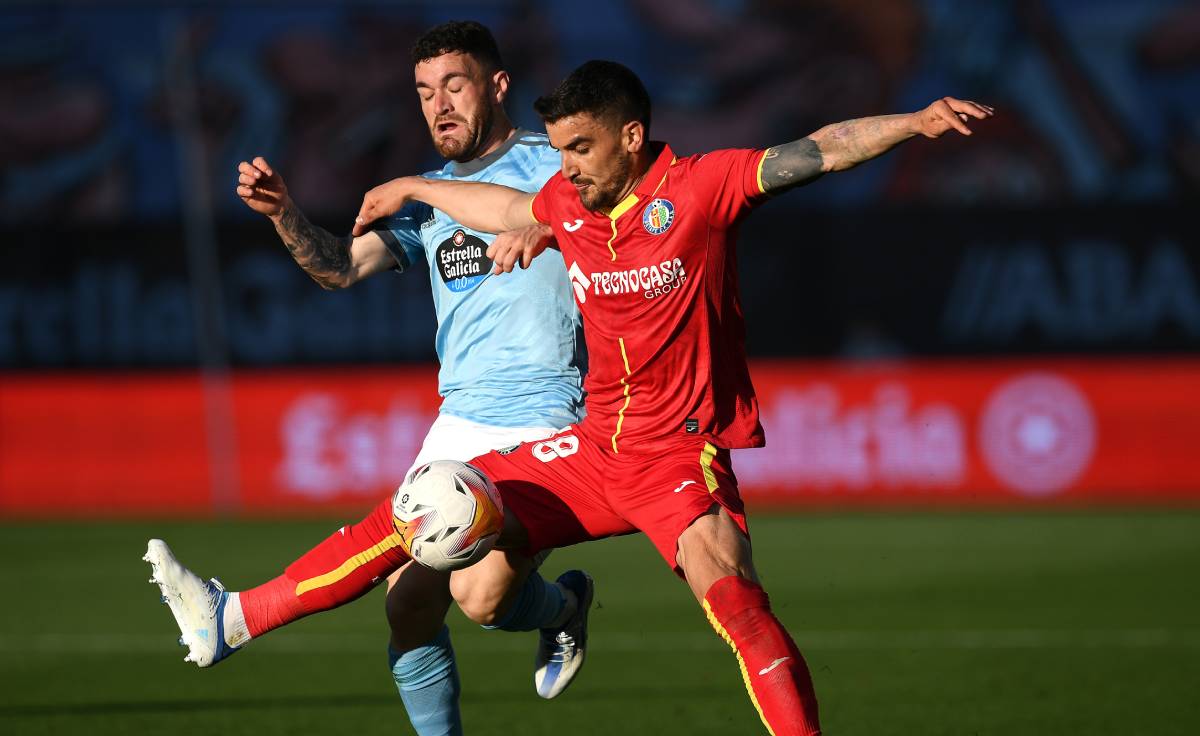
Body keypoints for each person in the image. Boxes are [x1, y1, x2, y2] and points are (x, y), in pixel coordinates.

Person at [151, 59, 991, 736]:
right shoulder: (567, 199)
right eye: (559, 151)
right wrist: (415, 190)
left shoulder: (699, 189)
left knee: (732, 597)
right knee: (427, 514)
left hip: (674, 452)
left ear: (631, 137)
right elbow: (504, 205)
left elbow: (820, 147)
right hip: (593, 450)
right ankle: (236, 619)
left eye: (581, 149)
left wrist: (914, 122)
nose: (567, 169)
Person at [160, 21, 596, 736]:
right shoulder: (423, 201)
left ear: (497, 85)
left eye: (454, 85)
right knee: (407, 602)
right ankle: (550, 621)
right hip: (460, 420)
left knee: (484, 600)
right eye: (424, 92)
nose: (438, 105)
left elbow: (604, 220)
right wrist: (285, 215)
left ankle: (559, 610)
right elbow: (339, 268)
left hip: (550, 413)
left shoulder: (553, 165)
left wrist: (551, 229)